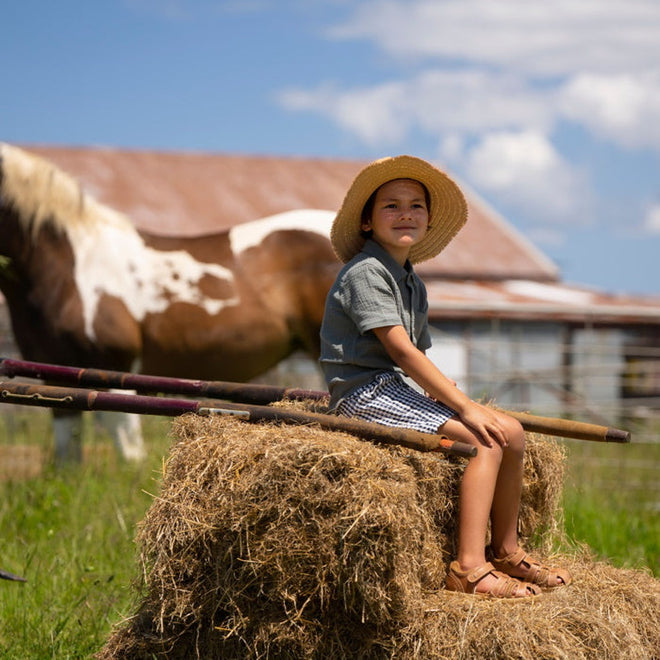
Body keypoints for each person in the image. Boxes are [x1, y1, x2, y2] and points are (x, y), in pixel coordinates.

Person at [320, 155, 571, 599]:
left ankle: (506, 550)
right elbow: (399, 349)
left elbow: (417, 356)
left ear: (429, 220)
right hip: (361, 393)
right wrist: (462, 406)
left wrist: (456, 396)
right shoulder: (366, 272)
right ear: (365, 222)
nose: (406, 214)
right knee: (480, 442)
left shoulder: (410, 280)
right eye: (391, 206)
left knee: (510, 432)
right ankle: (468, 567)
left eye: (416, 206)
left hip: (392, 386)